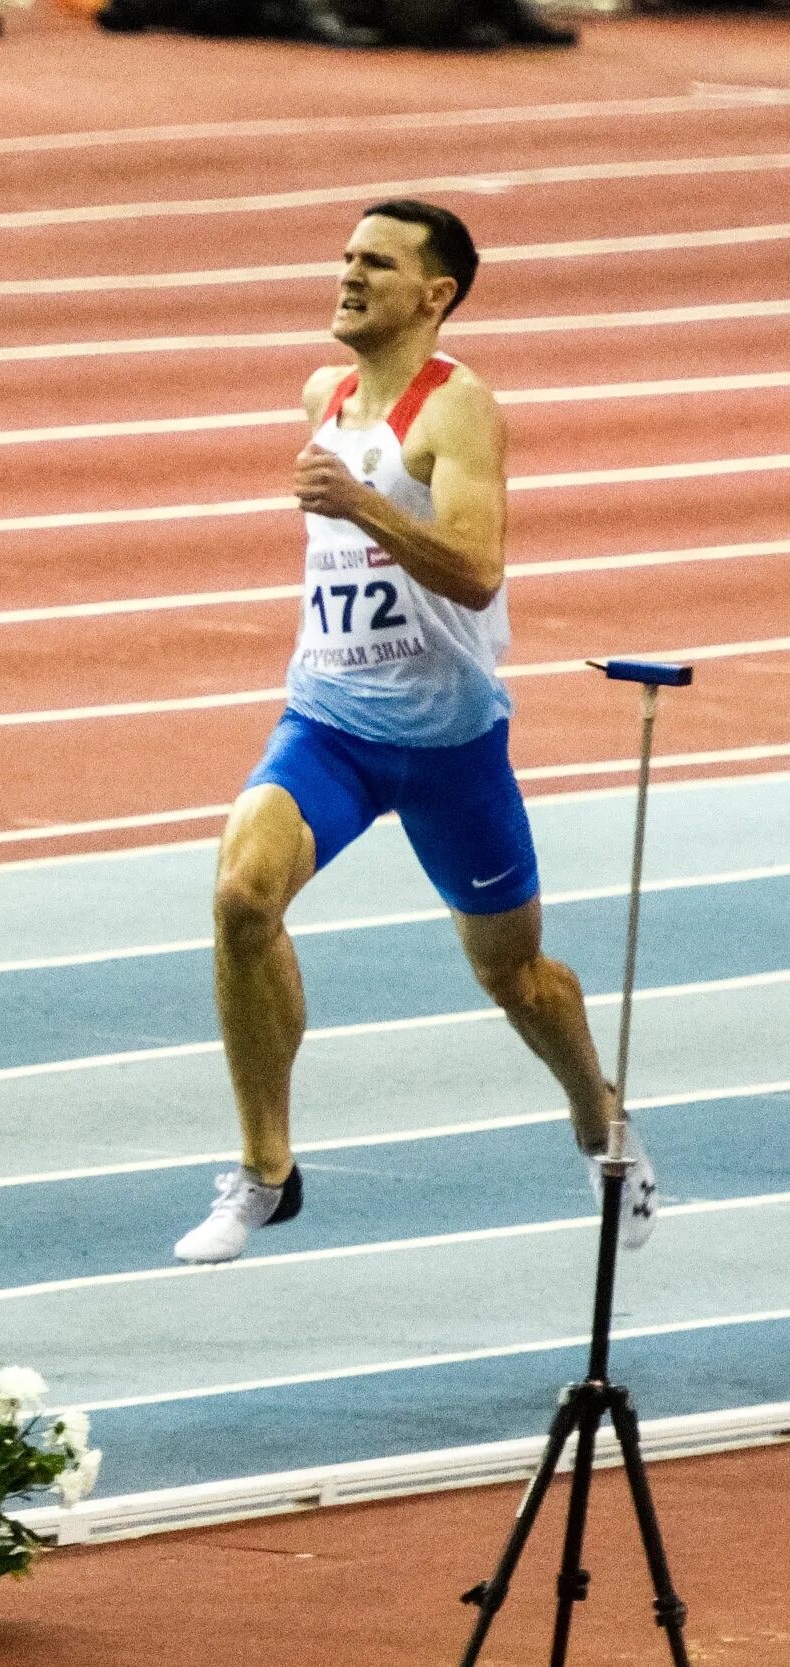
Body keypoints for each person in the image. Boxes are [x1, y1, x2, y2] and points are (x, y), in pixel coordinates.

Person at [175, 202, 650, 1266]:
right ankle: (265, 1170)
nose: (346, 274)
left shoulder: (461, 410)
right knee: (241, 895)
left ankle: (597, 1119)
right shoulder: (324, 394)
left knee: (514, 977)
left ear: (434, 294)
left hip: (449, 748)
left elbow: (477, 567)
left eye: (374, 262)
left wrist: (356, 502)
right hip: (328, 723)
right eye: (345, 255)